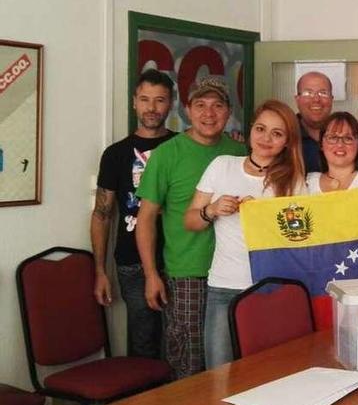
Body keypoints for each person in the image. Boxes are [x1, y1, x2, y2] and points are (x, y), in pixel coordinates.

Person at [136, 75, 246, 379]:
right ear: (187, 109)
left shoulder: (241, 153)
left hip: (237, 274)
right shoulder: (166, 155)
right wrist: (150, 275)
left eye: (217, 106)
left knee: (235, 362)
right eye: (200, 105)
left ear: (228, 111)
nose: (209, 114)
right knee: (188, 363)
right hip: (188, 273)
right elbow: (146, 218)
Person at [183, 99, 305, 369]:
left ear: (287, 141)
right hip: (225, 286)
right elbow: (190, 220)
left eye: (277, 133)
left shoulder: (293, 180)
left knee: (269, 374)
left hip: (272, 288)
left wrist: (267, 214)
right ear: (250, 131)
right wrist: (212, 210)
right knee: (219, 374)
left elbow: (300, 236)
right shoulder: (222, 164)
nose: (266, 138)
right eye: (260, 129)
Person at [91, 68, 176, 359]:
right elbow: (102, 214)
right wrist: (100, 271)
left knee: (182, 344)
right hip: (131, 263)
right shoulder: (115, 154)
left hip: (180, 259)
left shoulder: (182, 147)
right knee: (143, 344)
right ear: (134, 102)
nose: (151, 108)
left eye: (160, 100)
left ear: (171, 103)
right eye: (145, 99)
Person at [306, 112, 358, 194]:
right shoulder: (308, 184)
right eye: (332, 138)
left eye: (348, 138)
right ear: (321, 144)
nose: (340, 144)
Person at [294, 71, 334, 173]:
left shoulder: (346, 133)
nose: (316, 99)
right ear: (297, 100)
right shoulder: (284, 133)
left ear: (331, 99)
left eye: (323, 93)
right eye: (308, 93)